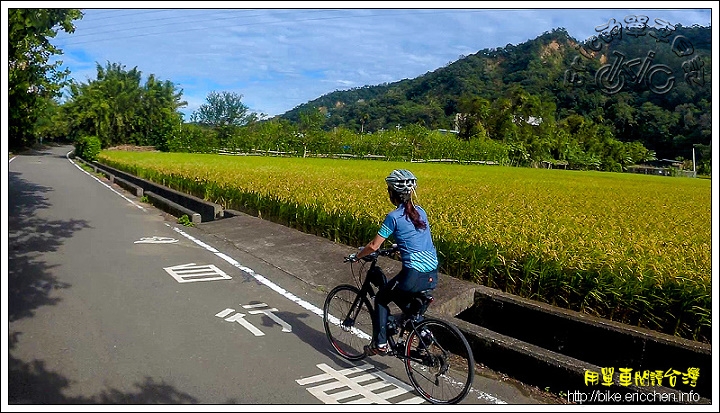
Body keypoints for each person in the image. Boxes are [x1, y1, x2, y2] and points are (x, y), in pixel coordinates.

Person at [348, 169, 439, 356]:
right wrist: (399, 247)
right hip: (432, 273)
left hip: (412, 275)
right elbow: (417, 240)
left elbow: (373, 246)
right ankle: (423, 331)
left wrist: (357, 256)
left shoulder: (393, 217)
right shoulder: (421, 211)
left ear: (392, 193)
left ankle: (380, 344)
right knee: (407, 306)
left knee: (382, 298)